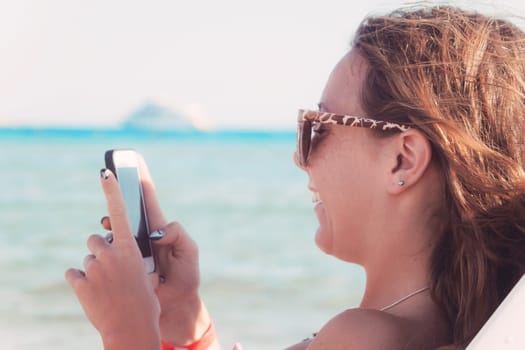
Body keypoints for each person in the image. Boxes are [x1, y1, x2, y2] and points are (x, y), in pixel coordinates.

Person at [65, 5, 525, 350]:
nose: (299, 157)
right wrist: (183, 317)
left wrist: (127, 331)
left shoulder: (363, 337)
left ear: (402, 160)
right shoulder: (443, 325)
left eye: (318, 127)